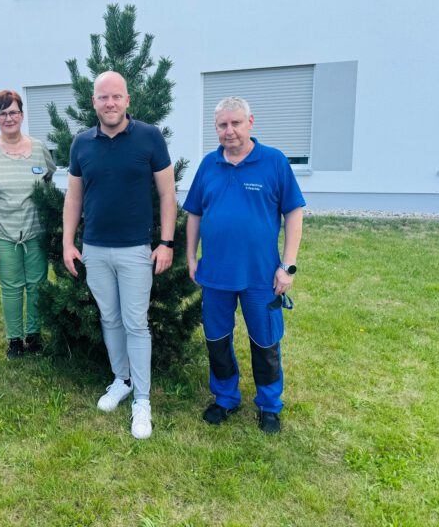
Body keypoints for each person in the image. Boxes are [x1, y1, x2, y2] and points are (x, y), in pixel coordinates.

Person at [63, 71, 176, 440]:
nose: (110, 104)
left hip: (135, 250)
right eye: (102, 98)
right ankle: (121, 380)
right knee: (109, 318)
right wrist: (68, 242)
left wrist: (167, 242)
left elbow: (167, 195)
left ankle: (142, 400)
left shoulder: (149, 137)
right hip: (94, 249)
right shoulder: (81, 143)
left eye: (116, 97)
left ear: (128, 100)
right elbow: (74, 198)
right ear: (93, 102)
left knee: (135, 322)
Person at [184, 96, 305, 434]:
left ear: (251, 122)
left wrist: (288, 265)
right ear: (216, 128)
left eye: (236, 123)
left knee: (265, 342)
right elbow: (194, 213)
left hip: (260, 276)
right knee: (217, 339)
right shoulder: (209, 165)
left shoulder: (274, 162)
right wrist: (191, 256)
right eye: (223, 124)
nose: (230, 130)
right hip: (217, 275)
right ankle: (225, 398)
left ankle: (269, 404)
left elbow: (294, 212)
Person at [0, 90, 56, 359]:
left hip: (35, 231)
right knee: (11, 288)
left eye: (13, 112)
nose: (9, 118)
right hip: (2, 231)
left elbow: (48, 185)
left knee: (37, 284)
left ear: (22, 115)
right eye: (2, 113)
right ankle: (14, 340)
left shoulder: (39, 148)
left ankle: (34, 336)